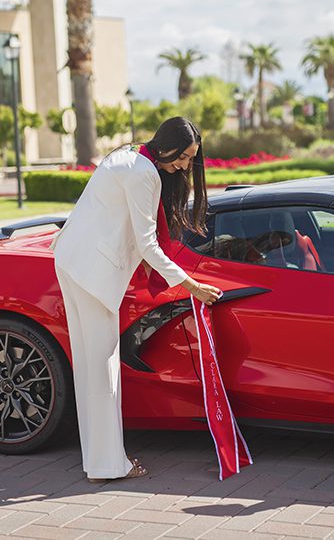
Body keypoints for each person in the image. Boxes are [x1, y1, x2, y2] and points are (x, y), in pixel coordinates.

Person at [52, 117, 223, 481]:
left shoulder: (129, 154)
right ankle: (109, 466)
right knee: (103, 371)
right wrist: (192, 285)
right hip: (93, 273)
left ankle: (99, 461)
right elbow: (148, 245)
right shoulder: (144, 173)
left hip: (71, 260)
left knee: (89, 369)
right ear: (168, 146)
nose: (185, 165)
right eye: (184, 156)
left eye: (191, 158)